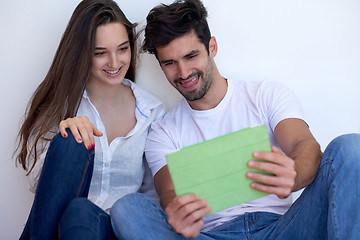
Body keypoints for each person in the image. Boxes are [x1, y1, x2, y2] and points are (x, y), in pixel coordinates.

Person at [109, 0, 360, 239]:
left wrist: (294, 174)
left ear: (212, 47)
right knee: (127, 208)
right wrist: (178, 211)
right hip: (209, 235)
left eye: (191, 56)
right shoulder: (163, 132)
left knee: (350, 147)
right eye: (170, 63)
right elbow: (169, 193)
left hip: (283, 229)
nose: (183, 73)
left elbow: (305, 147)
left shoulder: (264, 95)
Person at [15, 0, 165, 239]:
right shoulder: (62, 103)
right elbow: (39, 188)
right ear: (82, 53)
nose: (115, 63)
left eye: (122, 49)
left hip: (117, 231)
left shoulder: (152, 111)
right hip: (59, 228)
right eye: (100, 53)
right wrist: (64, 136)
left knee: (83, 212)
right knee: (79, 206)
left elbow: (151, 197)